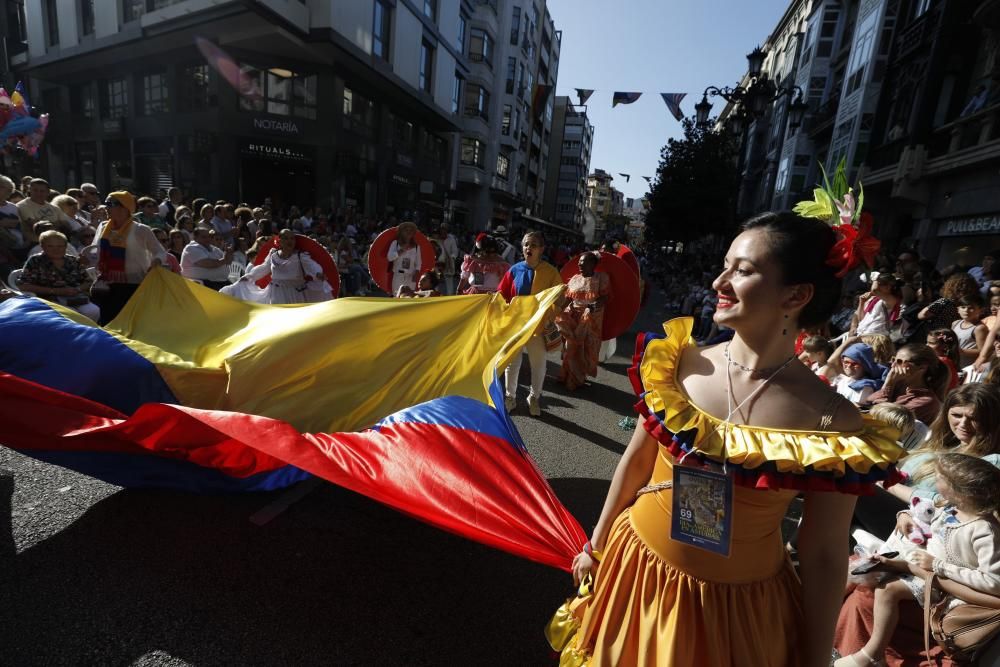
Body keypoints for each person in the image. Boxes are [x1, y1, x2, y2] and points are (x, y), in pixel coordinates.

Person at [557, 212, 904, 667]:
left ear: (797, 295)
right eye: (725, 265)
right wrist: (595, 543)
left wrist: (817, 656)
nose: (720, 280)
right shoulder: (678, 363)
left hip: (735, 611)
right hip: (636, 570)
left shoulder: (834, 420)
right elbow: (636, 463)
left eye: (742, 270)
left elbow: (821, 552)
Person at [835, 453, 1000, 667]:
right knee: (859, 571)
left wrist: (938, 566)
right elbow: (924, 511)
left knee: (888, 590)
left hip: (946, 585)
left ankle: (873, 653)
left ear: (960, 492)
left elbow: (993, 582)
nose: (935, 482)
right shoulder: (950, 507)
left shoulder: (984, 531)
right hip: (923, 565)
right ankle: (822, 623)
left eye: (939, 479)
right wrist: (904, 514)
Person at [852, 383, 1000, 542]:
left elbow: (952, 504)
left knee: (849, 484)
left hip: (922, 527)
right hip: (894, 509)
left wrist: (890, 484)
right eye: (957, 415)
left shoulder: (993, 460)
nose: (963, 424)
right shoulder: (939, 444)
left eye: (974, 418)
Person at [498, 231, 563, 417]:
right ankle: (510, 398)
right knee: (512, 363)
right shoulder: (514, 270)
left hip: (538, 328)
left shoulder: (551, 272)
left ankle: (534, 398)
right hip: (516, 326)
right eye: (526, 244)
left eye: (534, 245)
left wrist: (551, 314)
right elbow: (501, 294)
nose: (529, 248)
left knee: (538, 364)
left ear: (541, 249)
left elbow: (559, 298)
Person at [90, 191, 166, 324]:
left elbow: (160, 252)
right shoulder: (102, 227)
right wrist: (88, 258)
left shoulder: (141, 229)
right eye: (106, 203)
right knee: (108, 323)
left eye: (110, 204)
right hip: (107, 284)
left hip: (133, 284)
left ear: (125, 207)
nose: (106, 207)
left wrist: (156, 261)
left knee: (132, 324)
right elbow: (95, 251)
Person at [15, 230, 100, 321]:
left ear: (66, 247)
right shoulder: (35, 261)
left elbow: (88, 281)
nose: (56, 250)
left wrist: (77, 289)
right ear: (42, 246)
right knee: (70, 314)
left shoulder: (72, 260)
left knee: (94, 311)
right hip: (49, 300)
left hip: (76, 298)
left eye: (60, 246)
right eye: (50, 246)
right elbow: (23, 286)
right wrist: (55, 291)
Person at [555, 251, 610, 390]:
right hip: (573, 318)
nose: (580, 265)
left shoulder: (601, 278)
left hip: (590, 320)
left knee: (584, 349)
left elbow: (604, 297)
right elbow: (568, 298)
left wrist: (594, 306)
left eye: (583, 262)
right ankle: (567, 375)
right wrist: (557, 309)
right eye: (579, 262)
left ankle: (577, 378)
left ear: (592, 264)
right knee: (570, 346)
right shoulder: (574, 278)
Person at [228, 229, 330, 304]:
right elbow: (264, 268)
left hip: (295, 294)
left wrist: (318, 274)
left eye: (292, 238)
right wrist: (249, 276)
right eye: (286, 238)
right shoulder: (273, 255)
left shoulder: (300, 256)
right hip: (276, 293)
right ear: (280, 241)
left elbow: (313, 267)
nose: (289, 241)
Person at [864, 344, 949, 424]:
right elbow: (869, 402)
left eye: (900, 362)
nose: (893, 365)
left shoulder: (926, 401)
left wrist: (889, 383)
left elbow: (881, 417)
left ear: (922, 368)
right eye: (893, 359)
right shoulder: (898, 384)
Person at [17, 178, 75, 242]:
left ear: (48, 192)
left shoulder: (54, 207)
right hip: (36, 242)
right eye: (35, 190)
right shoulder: (23, 205)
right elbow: (37, 226)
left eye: (42, 191)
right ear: (29, 190)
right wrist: (57, 224)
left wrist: (46, 223)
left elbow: (66, 225)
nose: (38, 193)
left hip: (58, 242)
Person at [180, 226, 233, 290]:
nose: (207, 239)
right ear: (195, 238)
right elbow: (209, 264)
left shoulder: (214, 249)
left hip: (220, 281)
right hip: (203, 283)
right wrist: (225, 259)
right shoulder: (191, 248)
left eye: (209, 237)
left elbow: (228, 262)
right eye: (204, 237)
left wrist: (229, 253)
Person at [386, 221, 421, 295]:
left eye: (410, 231)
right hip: (398, 276)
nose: (408, 232)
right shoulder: (395, 243)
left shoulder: (417, 247)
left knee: (409, 299)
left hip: (411, 277)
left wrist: (417, 273)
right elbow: (389, 258)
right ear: (401, 232)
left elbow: (419, 262)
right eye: (406, 230)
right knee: (397, 297)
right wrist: (401, 251)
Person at [952, 293, 988, 365]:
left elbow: (983, 352)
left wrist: (960, 351)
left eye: (971, 308)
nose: (966, 310)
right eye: (963, 307)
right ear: (958, 309)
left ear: (980, 310)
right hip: (956, 364)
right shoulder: (955, 323)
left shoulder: (979, 328)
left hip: (969, 366)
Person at [435, 222, 460, 295]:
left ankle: (450, 296)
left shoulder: (451, 239)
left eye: (445, 229)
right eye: (442, 229)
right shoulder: (436, 238)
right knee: (435, 279)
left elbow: (455, 251)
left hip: (448, 263)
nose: (443, 231)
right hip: (437, 263)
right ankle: (435, 294)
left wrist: (451, 259)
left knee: (449, 280)